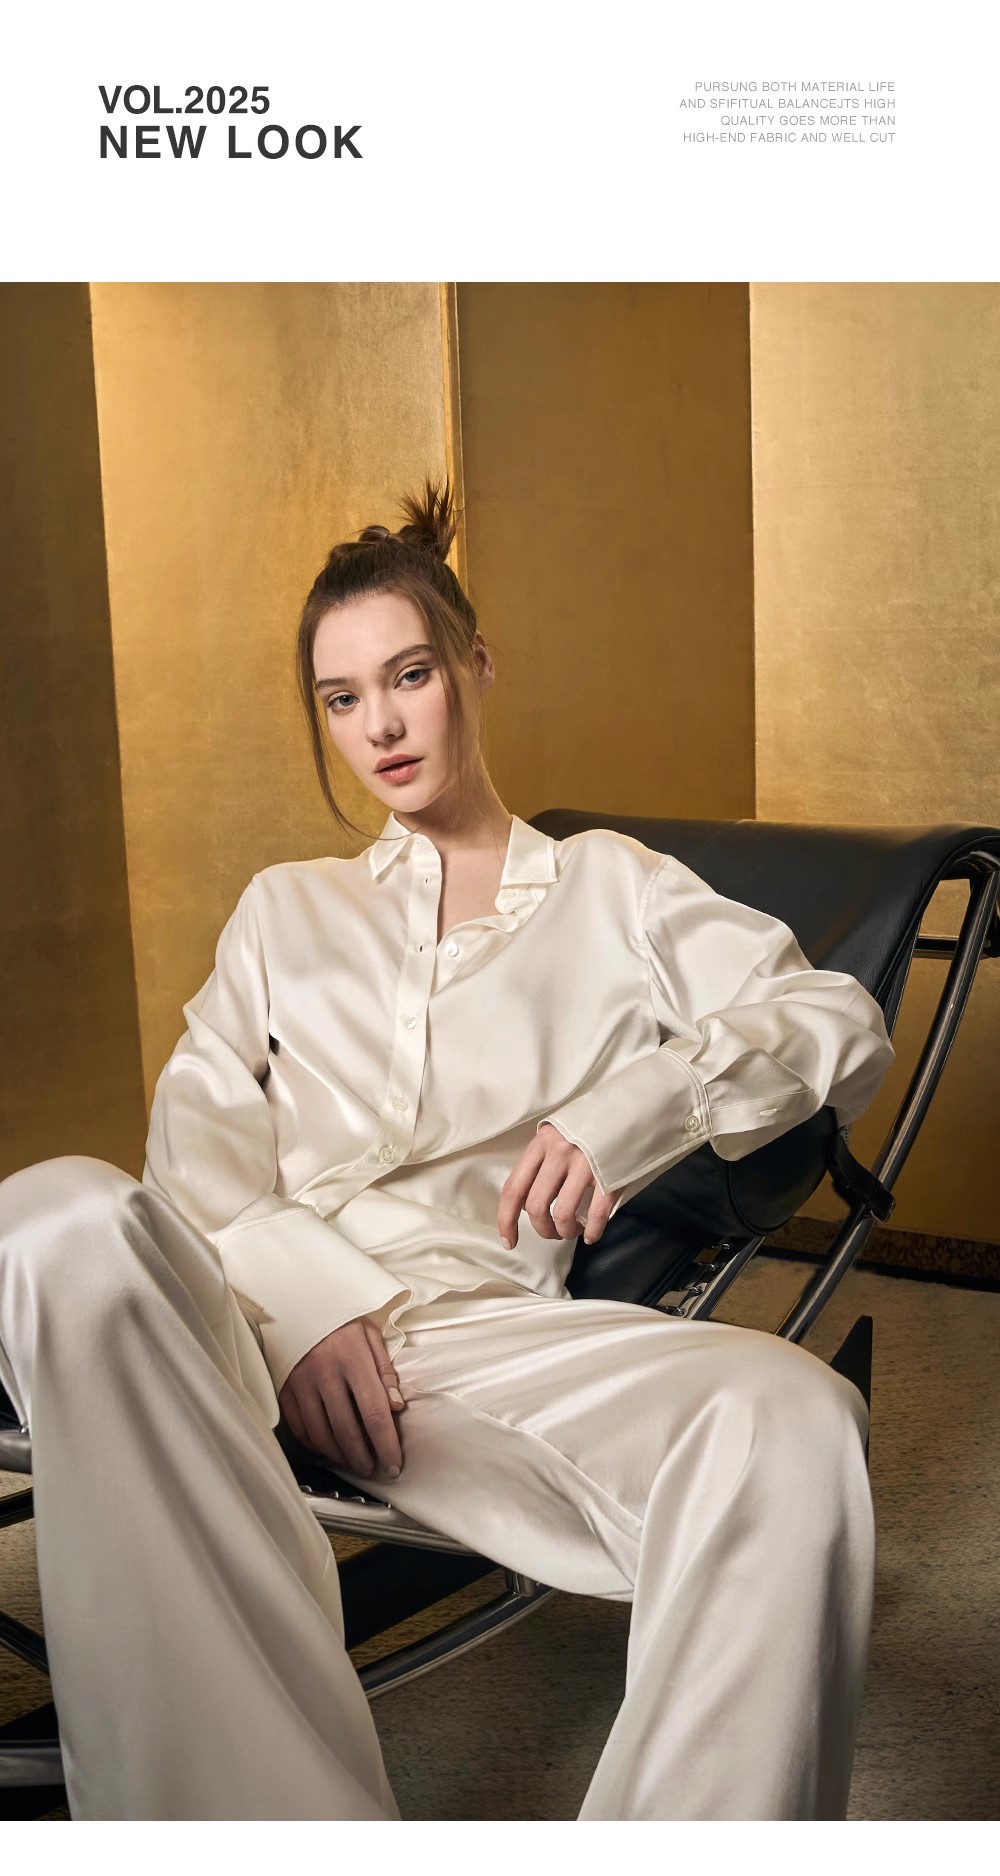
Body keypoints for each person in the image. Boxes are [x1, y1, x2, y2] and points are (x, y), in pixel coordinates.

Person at [0, 476, 896, 1822]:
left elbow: (836, 1019)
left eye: (408, 676)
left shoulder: (613, 888)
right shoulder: (284, 910)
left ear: (475, 665)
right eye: (340, 698)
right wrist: (307, 1309)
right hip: (230, 1314)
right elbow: (194, 1152)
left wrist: (633, 1106)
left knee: (797, 1417)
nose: (378, 726)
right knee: (58, 1216)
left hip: (480, 1337)